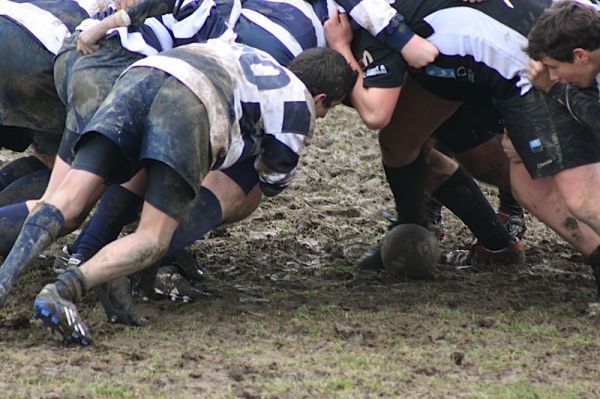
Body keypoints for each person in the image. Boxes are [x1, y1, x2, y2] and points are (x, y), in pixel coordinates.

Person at [14, 39, 355, 345]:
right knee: (153, 237)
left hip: (140, 73)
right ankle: (68, 286)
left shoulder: (254, 54)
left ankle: (20, 277)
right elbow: (275, 177)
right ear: (321, 98)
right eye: (326, 111)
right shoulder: (299, 102)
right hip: (188, 102)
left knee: (65, 201)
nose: (320, 117)